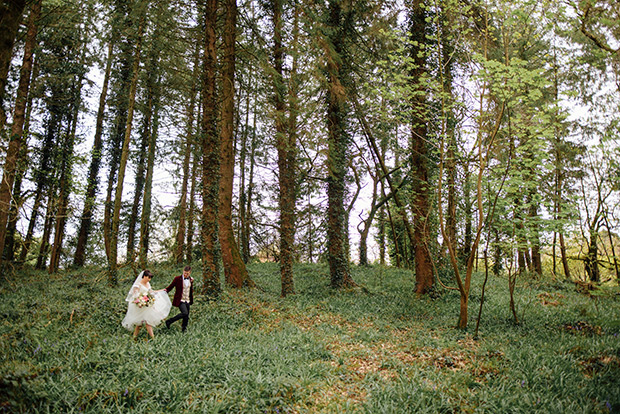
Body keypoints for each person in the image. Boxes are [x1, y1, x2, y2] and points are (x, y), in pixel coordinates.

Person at [122, 270, 172, 340]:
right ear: (144, 276)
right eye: (148, 277)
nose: (149, 279)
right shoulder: (137, 285)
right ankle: (134, 338)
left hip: (147, 306)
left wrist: (161, 291)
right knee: (139, 325)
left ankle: (153, 338)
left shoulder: (148, 284)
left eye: (150, 278)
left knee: (148, 323)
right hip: (139, 306)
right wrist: (140, 301)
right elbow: (134, 296)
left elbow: (151, 292)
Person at [163, 265, 194, 332]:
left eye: (187, 273)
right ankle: (169, 321)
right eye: (185, 273)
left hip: (187, 300)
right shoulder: (177, 279)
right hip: (180, 300)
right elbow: (170, 287)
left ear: (190, 273)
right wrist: (163, 291)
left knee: (186, 316)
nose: (186, 275)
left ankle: (184, 329)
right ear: (183, 271)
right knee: (185, 313)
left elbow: (190, 290)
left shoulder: (191, 280)